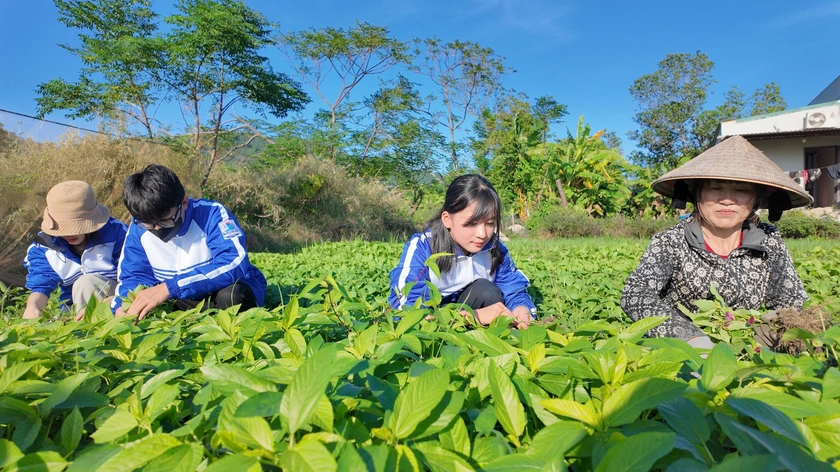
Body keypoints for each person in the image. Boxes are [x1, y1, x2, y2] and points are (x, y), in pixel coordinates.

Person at [621, 135, 812, 350]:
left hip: (745, 346)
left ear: (757, 199)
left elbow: (790, 302)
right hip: (679, 350)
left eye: (741, 190)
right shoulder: (671, 241)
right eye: (715, 188)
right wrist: (689, 338)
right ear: (697, 194)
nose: (727, 199)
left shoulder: (769, 242)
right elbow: (636, 293)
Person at [112, 164, 266, 319]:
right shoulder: (138, 227)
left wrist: (172, 287)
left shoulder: (212, 214)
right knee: (145, 308)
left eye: (165, 221)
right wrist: (121, 305)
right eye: (149, 224)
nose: (157, 228)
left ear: (184, 202)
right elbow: (133, 275)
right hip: (178, 296)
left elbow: (234, 261)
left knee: (232, 296)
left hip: (220, 290)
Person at [388, 174, 535, 328]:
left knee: (486, 291)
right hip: (434, 323)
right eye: (471, 223)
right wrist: (474, 317)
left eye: (490, 223)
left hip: (468, 307)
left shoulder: (495, 249)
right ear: (447, 219)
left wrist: (521, 309)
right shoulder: (423, 247)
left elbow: (513, 290)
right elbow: (404, 312)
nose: (482, 234)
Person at [23, 181, 127, 320]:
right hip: (73, 308)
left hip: (119, 299)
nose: (68, 234)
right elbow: (42, 284)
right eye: (63, 227)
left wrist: (112, 302)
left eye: (76, 226)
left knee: (86, 283)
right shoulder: (45, 246)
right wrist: (33, 307)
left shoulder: (117, 233)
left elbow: (134, 274)